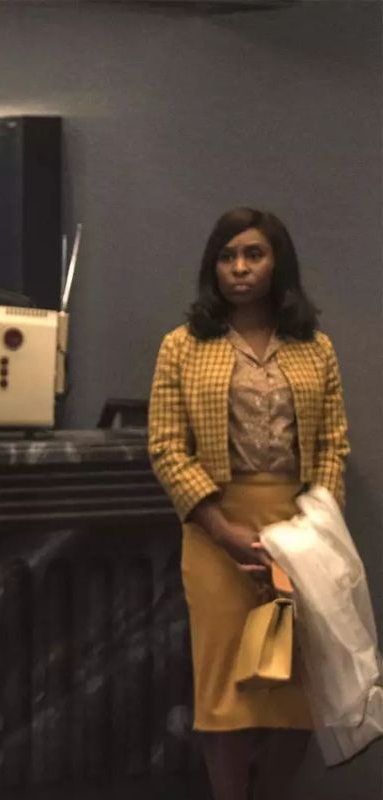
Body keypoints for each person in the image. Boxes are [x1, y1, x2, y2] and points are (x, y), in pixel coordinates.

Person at [147, 207, 349, 800]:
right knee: (226, 691)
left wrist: (312, 534)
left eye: (253, 255)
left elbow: (334, 444)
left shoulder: (316, 348)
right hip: (216, 536)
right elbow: (164, 446)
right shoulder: (182, 347)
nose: (239, 268)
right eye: (228, 256)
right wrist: (223, 528)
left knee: (295, 689)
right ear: (213, 267)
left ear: (276, 263)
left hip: (301, 531)